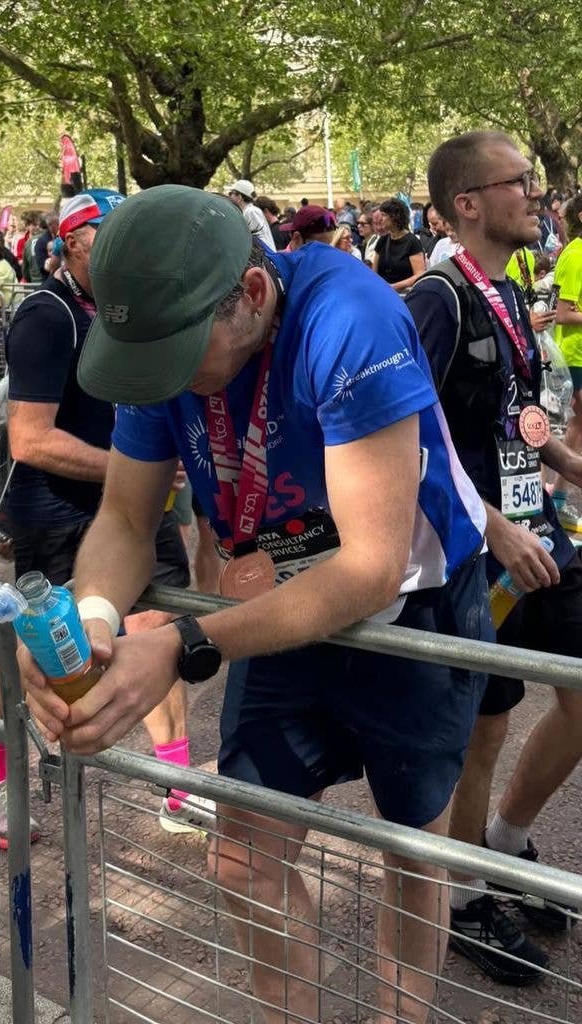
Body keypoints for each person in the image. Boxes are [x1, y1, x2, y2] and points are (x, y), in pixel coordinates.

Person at [23, 185, 492, 1024]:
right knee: (240, 856)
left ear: (250, 293)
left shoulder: (348, 317)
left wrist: (181, 644)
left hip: (412, 614)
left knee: (412, 853)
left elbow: (369, 569)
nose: (160, 381)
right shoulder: (161, 341)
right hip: (279, 607)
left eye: (176, 355)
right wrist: (93, 622)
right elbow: (127, 519)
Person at [0, 189, 214, 846]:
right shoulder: (48, 316)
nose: (131, 247)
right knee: (40, 649)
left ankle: (179, 789)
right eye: (111, 233)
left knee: (158, 627)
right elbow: (31, 440)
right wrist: (132, 468)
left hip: (131, 502)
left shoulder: (128, 309)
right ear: (72, 244)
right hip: (58, 512)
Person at [406, 130, 582, 986]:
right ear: (469, 202)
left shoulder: (510, 289)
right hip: (477, 554)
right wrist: (488, 526)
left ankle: (509, 844)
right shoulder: (437, 298)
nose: (538, 192)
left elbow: (515, 414)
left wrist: (565, 466)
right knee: (484, 726)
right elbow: (406, 436)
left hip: (538, 528)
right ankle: (470, 895)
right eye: (521, 181)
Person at [547, 194, 582, 532]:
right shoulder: (574, 255)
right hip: (574, 354)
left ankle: (557, 498)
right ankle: (558, 499)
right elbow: (562, 311)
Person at [372, 198, 425, 293]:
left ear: (395, 217)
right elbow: (374, 273)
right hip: (384, 293)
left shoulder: (412, 242)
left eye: (384, 215)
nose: (381, 219)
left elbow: (419, 274)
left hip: (405, 295)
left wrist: (394, 286)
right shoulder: (382, 240)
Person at [226, 179, 276, 250]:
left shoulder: (251, 211)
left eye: (231, 193)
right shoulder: (248, 211)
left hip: (264, 258)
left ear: (239, 197)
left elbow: (258, 240)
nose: (229, 196)